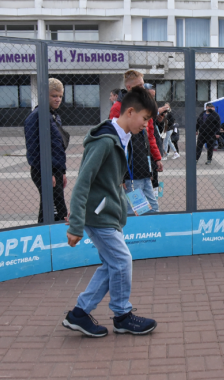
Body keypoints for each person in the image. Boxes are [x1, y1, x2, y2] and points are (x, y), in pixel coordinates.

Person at [63, 86, 158, 338]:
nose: (146, 124)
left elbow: (111, 180)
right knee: (122, 260)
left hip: (108, 214)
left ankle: (79, 314)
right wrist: (75, 224)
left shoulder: (122, 138)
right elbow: (83, 182)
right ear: (130, 111)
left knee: (111, 264)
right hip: (98, 216)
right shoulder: (105, 141)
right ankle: (122, 315)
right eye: (145, 118)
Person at [24, 78, 69, 223]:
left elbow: (58, 147)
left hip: (56, 169)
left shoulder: (54, 116)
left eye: (60, 96)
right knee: (57, 208)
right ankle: (50, 231)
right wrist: (47, 173)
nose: (58, 99)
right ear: (44, 95)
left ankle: (45, 231)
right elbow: (33, 150)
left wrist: (62, 171)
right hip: (43, 170)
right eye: (54, 96)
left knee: (50, 206)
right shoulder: (36, 117)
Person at [109, 70, 164, 174]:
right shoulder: (118, 107)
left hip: (144, 162)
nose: (143, 88)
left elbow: (150, 134)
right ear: (129, 87)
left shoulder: (145, 105)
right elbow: (115, 137)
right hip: (128, 167)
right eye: (139, 85)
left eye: (143, 84)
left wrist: (157, 157)